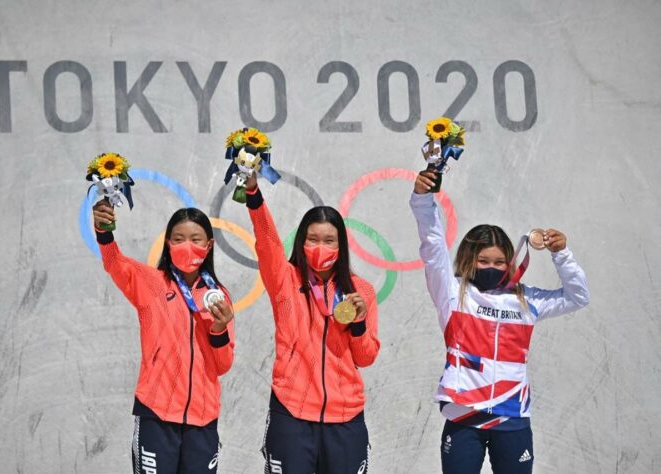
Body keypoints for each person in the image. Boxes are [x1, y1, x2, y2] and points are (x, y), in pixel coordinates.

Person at [409, 170, 590, 474]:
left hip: (512, 415)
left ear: (511, 262)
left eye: (499, 262)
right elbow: (432, 244)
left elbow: (578, 297)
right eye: (483, 261)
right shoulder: (452, 292)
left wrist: (562, 255)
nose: (491, 268)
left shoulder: (525, 300)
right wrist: (423, 198)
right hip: (463, 415)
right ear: (468, 260)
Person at [241, 174, 380, 473]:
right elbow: (267, 242)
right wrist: (253, 194)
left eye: (329, 240)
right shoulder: (285, 280)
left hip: (345, 417)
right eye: (313, 239)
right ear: (302, 242)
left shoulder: (361, 291)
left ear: (341, 245)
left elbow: (366, 357)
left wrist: (358, 324)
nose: (321, 247)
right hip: (292, 413)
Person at [92, 201, 235, 473]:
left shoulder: (219, 297)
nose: (187, 246)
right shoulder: (151, 283)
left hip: (202, 421)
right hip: (156, 415)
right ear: (168, 244)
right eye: (178, 239)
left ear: (210, 245)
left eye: (196, 239)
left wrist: (219, 330)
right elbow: (114, 263)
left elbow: (223, 366)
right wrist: (104, 231)